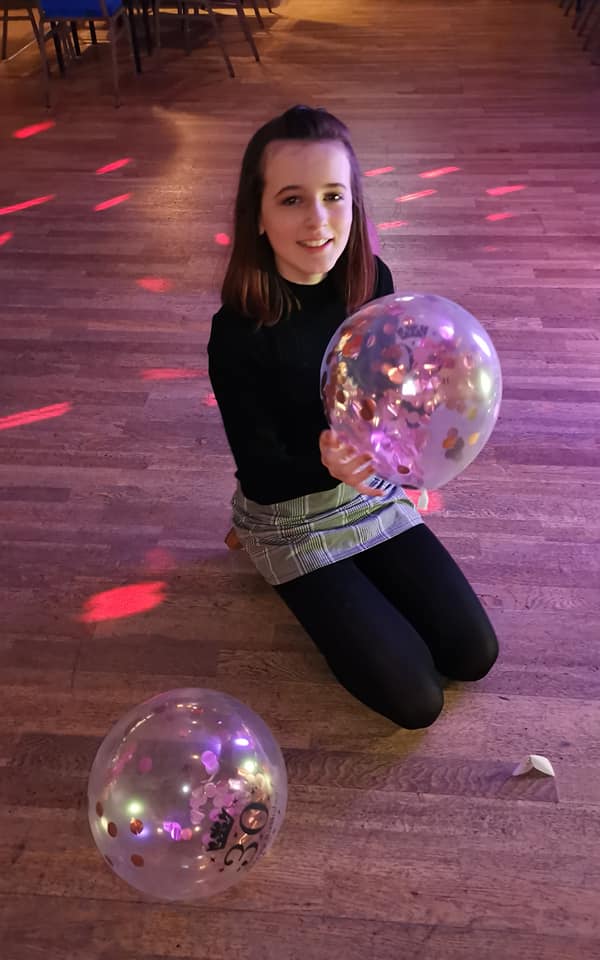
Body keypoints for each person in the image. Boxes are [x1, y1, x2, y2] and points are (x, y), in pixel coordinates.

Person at [208, 105, 498, 729]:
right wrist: (326, 462)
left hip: (370, 492)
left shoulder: (372, 283)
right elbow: (260, 471)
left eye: (333, 196)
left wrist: (415, 420)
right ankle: (266, 557)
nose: (318, 220)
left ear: (355, 204)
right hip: (291, 515)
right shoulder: (236, 333)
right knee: (417, 701)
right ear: (257, 215)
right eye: (291, 199)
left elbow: (388, 390)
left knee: (473, 654)